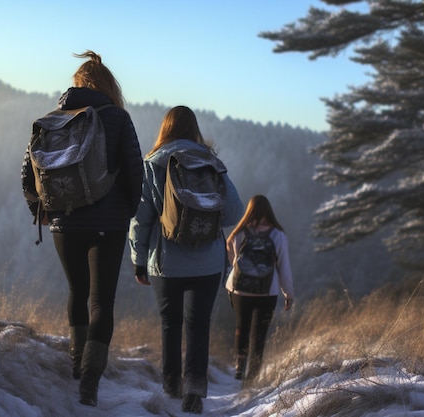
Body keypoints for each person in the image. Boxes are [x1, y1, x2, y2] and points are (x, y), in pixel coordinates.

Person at [21, 50, 143, 407]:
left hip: (63, 221)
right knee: (101, 301)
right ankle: (90, 381)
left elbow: (29, 175)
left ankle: (76, 366)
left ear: (75, 86)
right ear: (108, 86)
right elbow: (135, 172)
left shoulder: (50, 120)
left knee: (77, 291)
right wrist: (127, 212)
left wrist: (39, 211)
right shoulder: (118, 119)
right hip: (109, 224)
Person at [129, 106, 244, 414]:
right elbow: (234, 211)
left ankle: (170, 388)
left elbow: (141, 218)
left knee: (171, 324)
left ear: (165, 128)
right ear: (194, 129)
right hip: (208, 264)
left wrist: (139, 260)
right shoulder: (212, 162)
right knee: (198, 325)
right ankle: (194, 394)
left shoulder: (154, 163)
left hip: (167, 264)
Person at [224, 194, 294, 384]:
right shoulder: (278, 235)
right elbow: (283, 266)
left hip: (240, 290)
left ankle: (240, 365)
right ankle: (252, 377)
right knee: (260, 334)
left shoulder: (239, 233)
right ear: (269, 211)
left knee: (242, 327)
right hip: (267, 292)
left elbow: (233, 262)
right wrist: (288, 293)